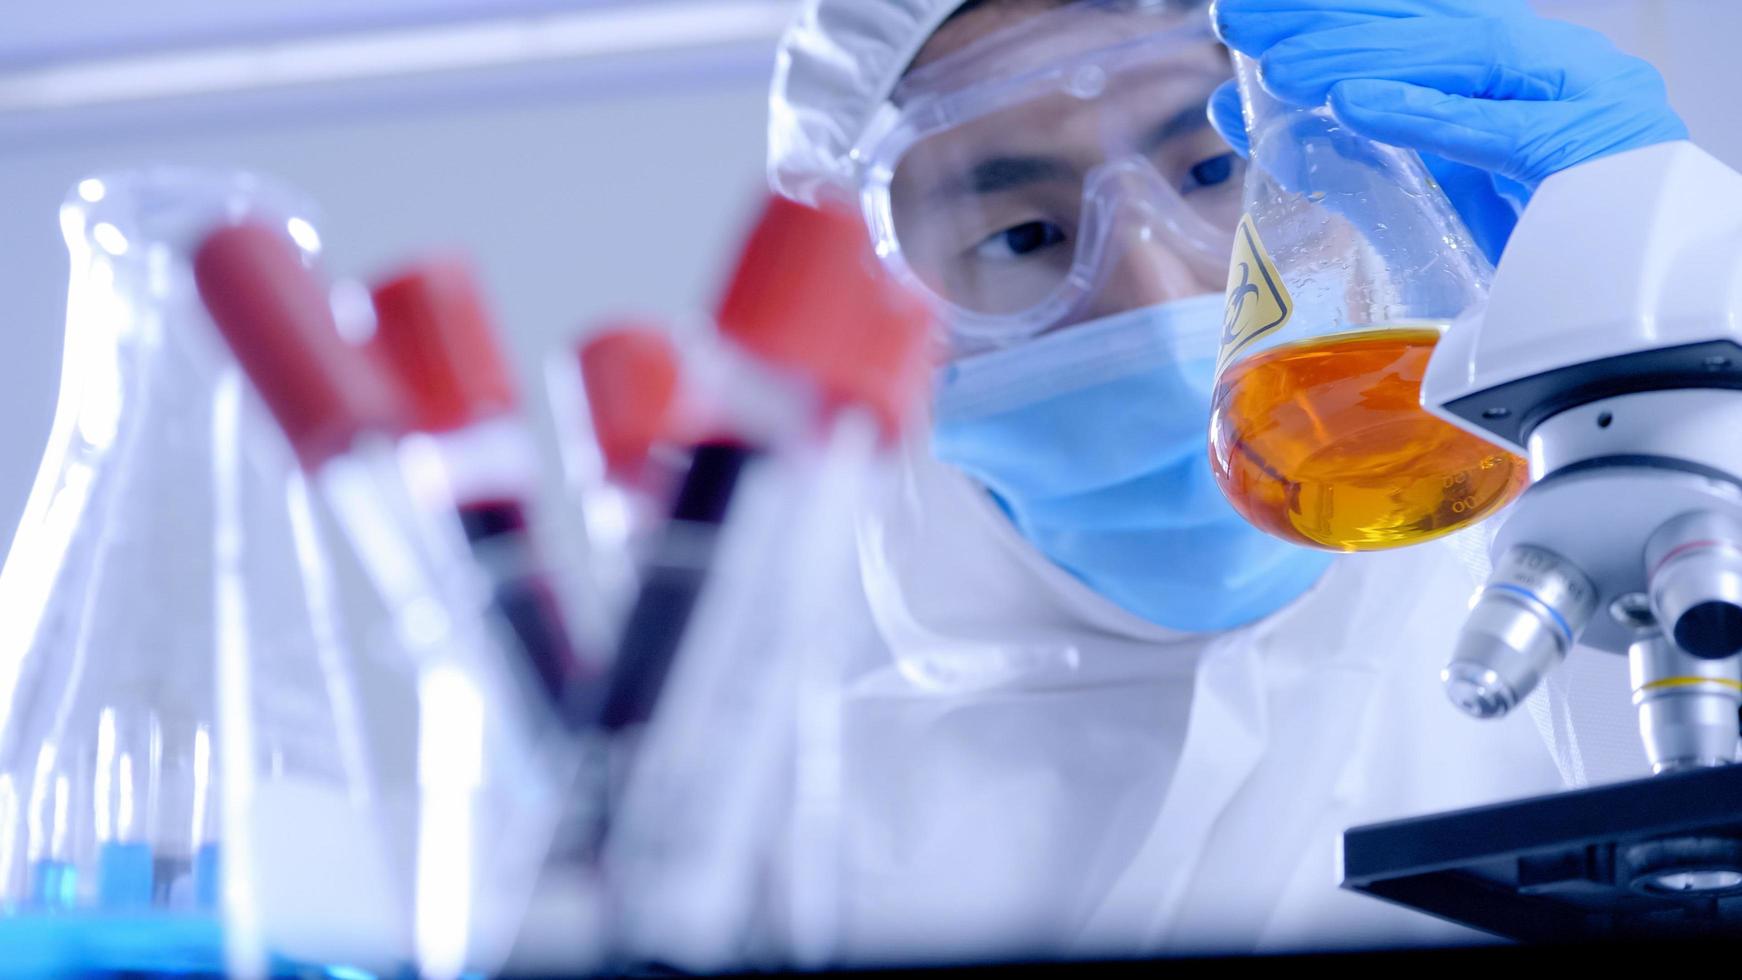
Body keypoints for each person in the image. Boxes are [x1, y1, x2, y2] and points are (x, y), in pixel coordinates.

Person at [765, 0, 1688, 964]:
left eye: (1213, 171)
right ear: (882, 308)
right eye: (1022, 236)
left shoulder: (1606, 598)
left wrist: (1674, 341)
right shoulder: (779, 801)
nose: (1154, 292)